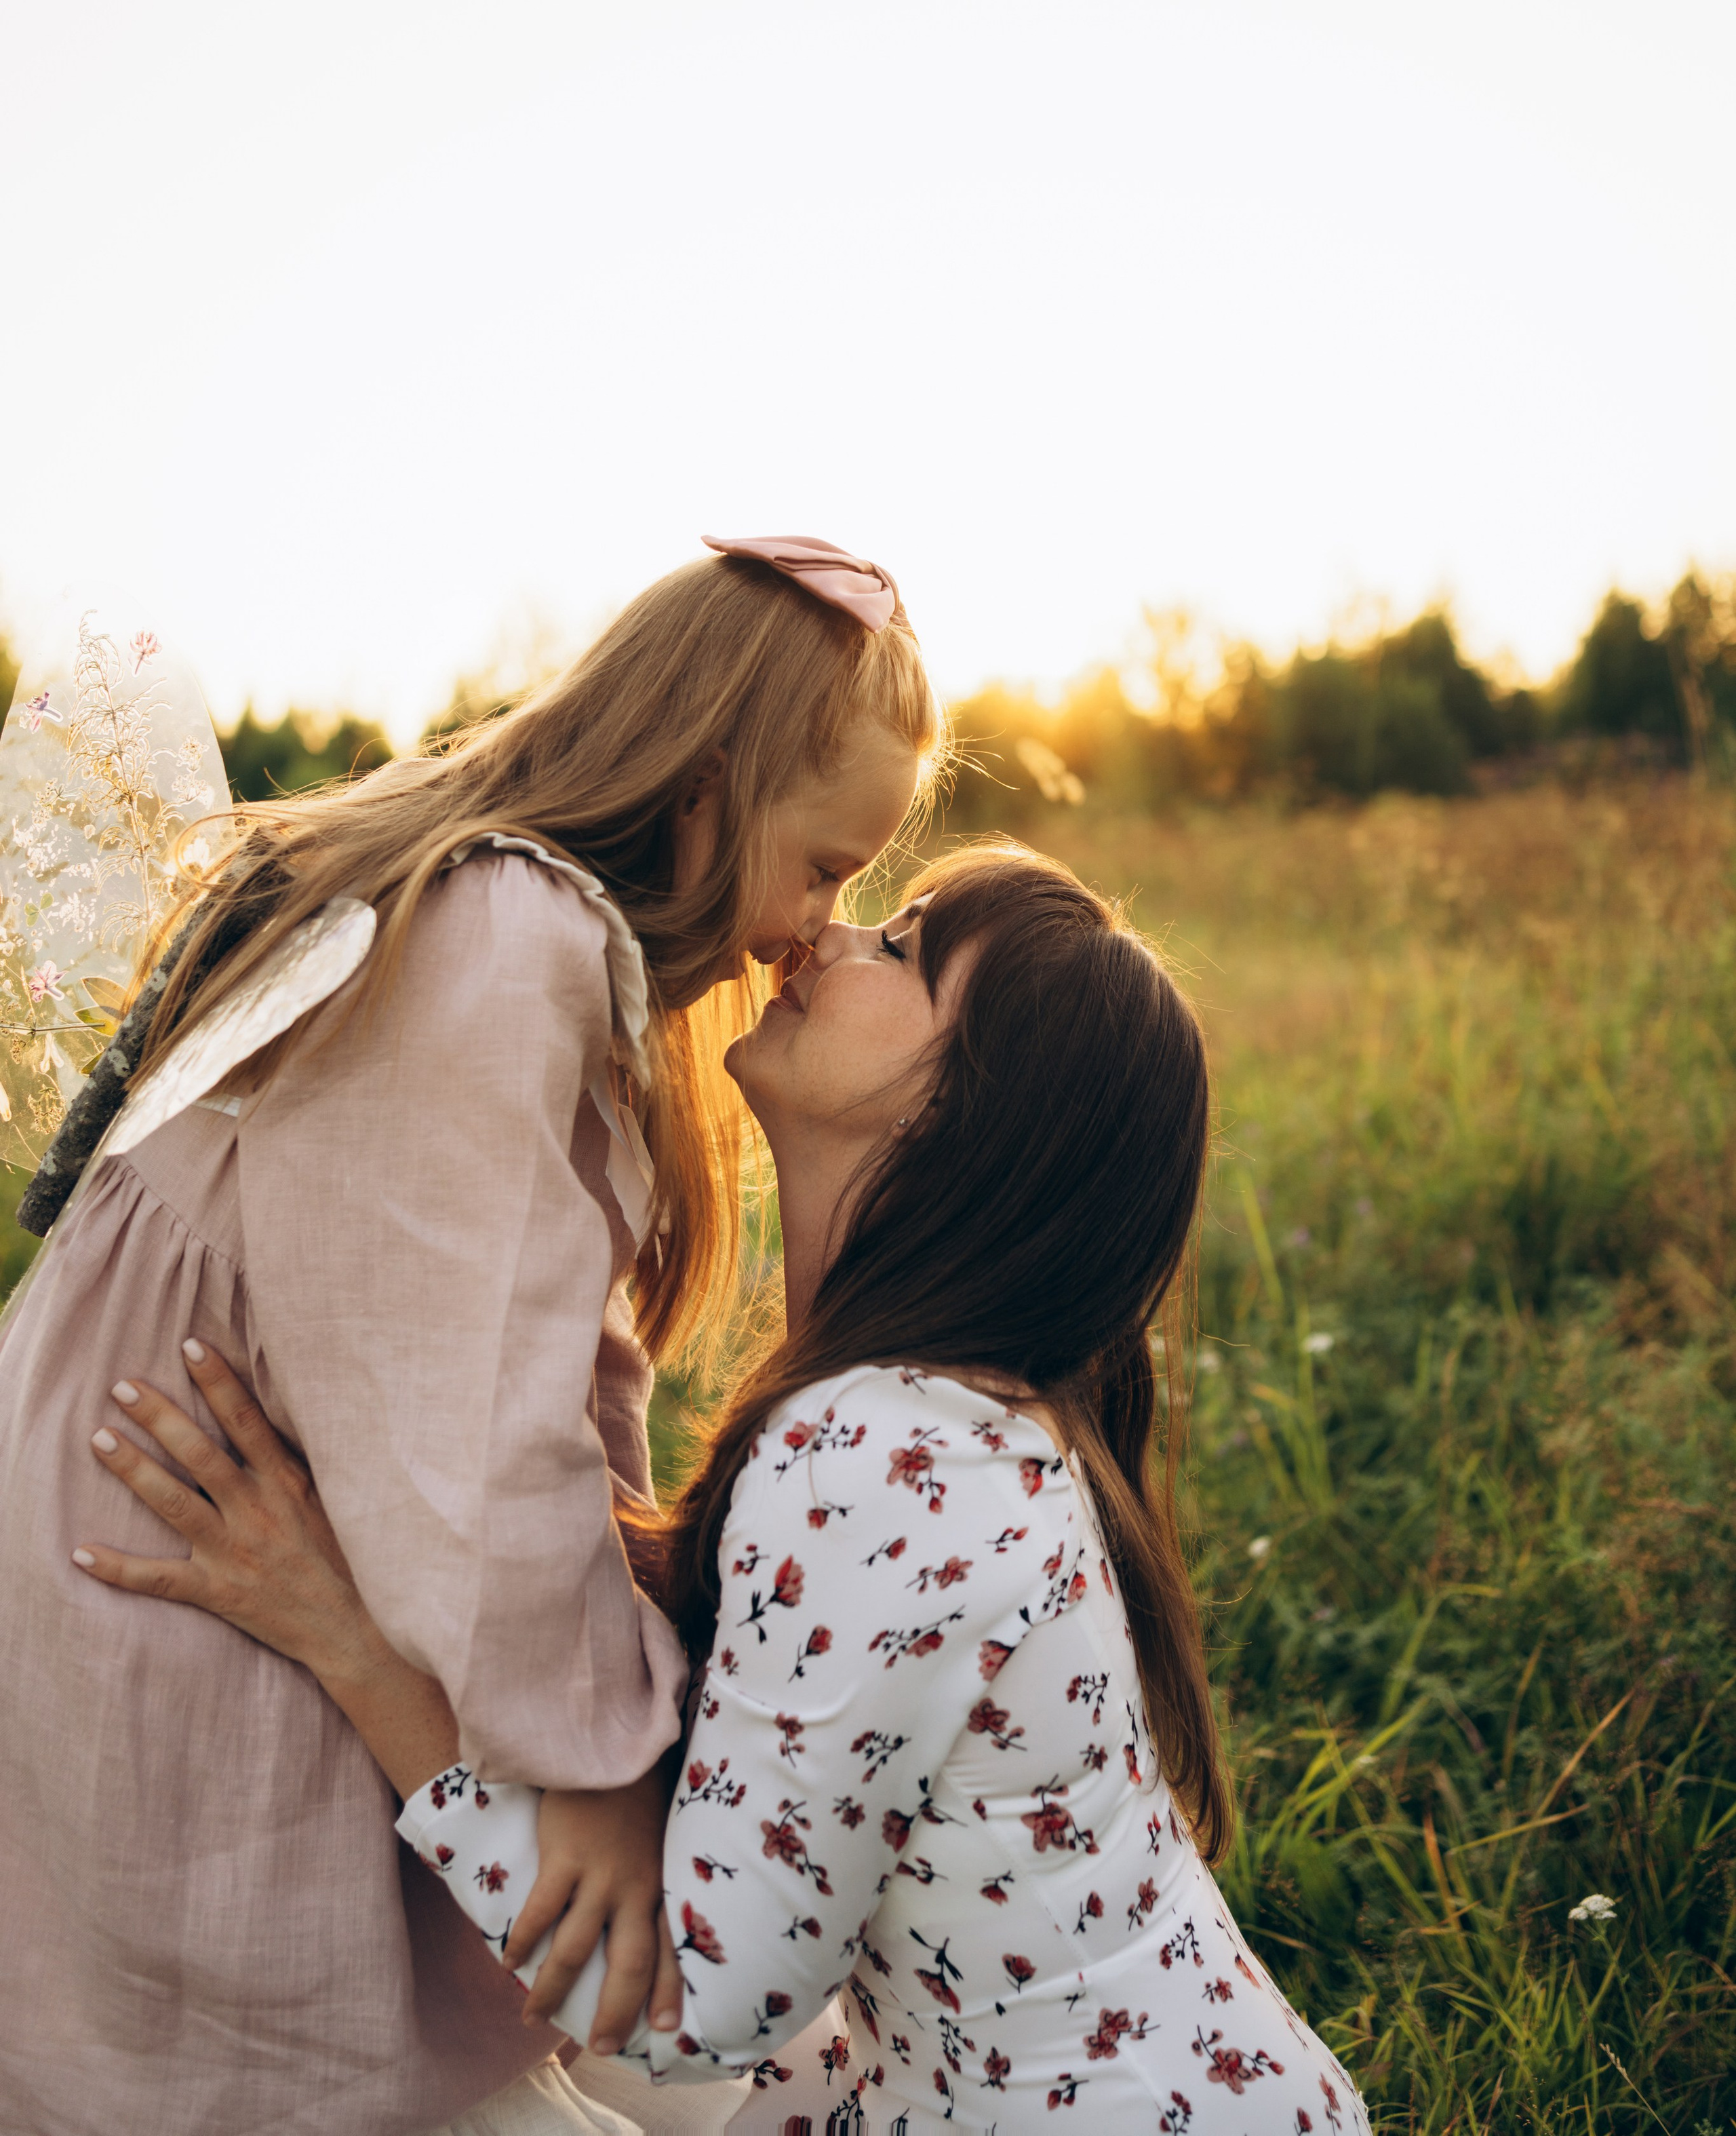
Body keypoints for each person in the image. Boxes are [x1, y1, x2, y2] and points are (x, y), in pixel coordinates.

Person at [81, 849, 1370, 2133]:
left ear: (966, 1115)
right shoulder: (949, 1418)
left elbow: (696, 2007)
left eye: (906, 951)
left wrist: (343, 1637)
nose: (833, 941)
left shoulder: (881, 1455)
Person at [0, 535, 939, 2136]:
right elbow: (475, 1441)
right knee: (291, 2055)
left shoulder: (492, 912)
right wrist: (595, 1759)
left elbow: (553, 1367)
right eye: (824, 868)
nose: (806, 931)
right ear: (706, 786)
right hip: (187, 1547)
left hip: (190, 1511)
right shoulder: (508, 939)